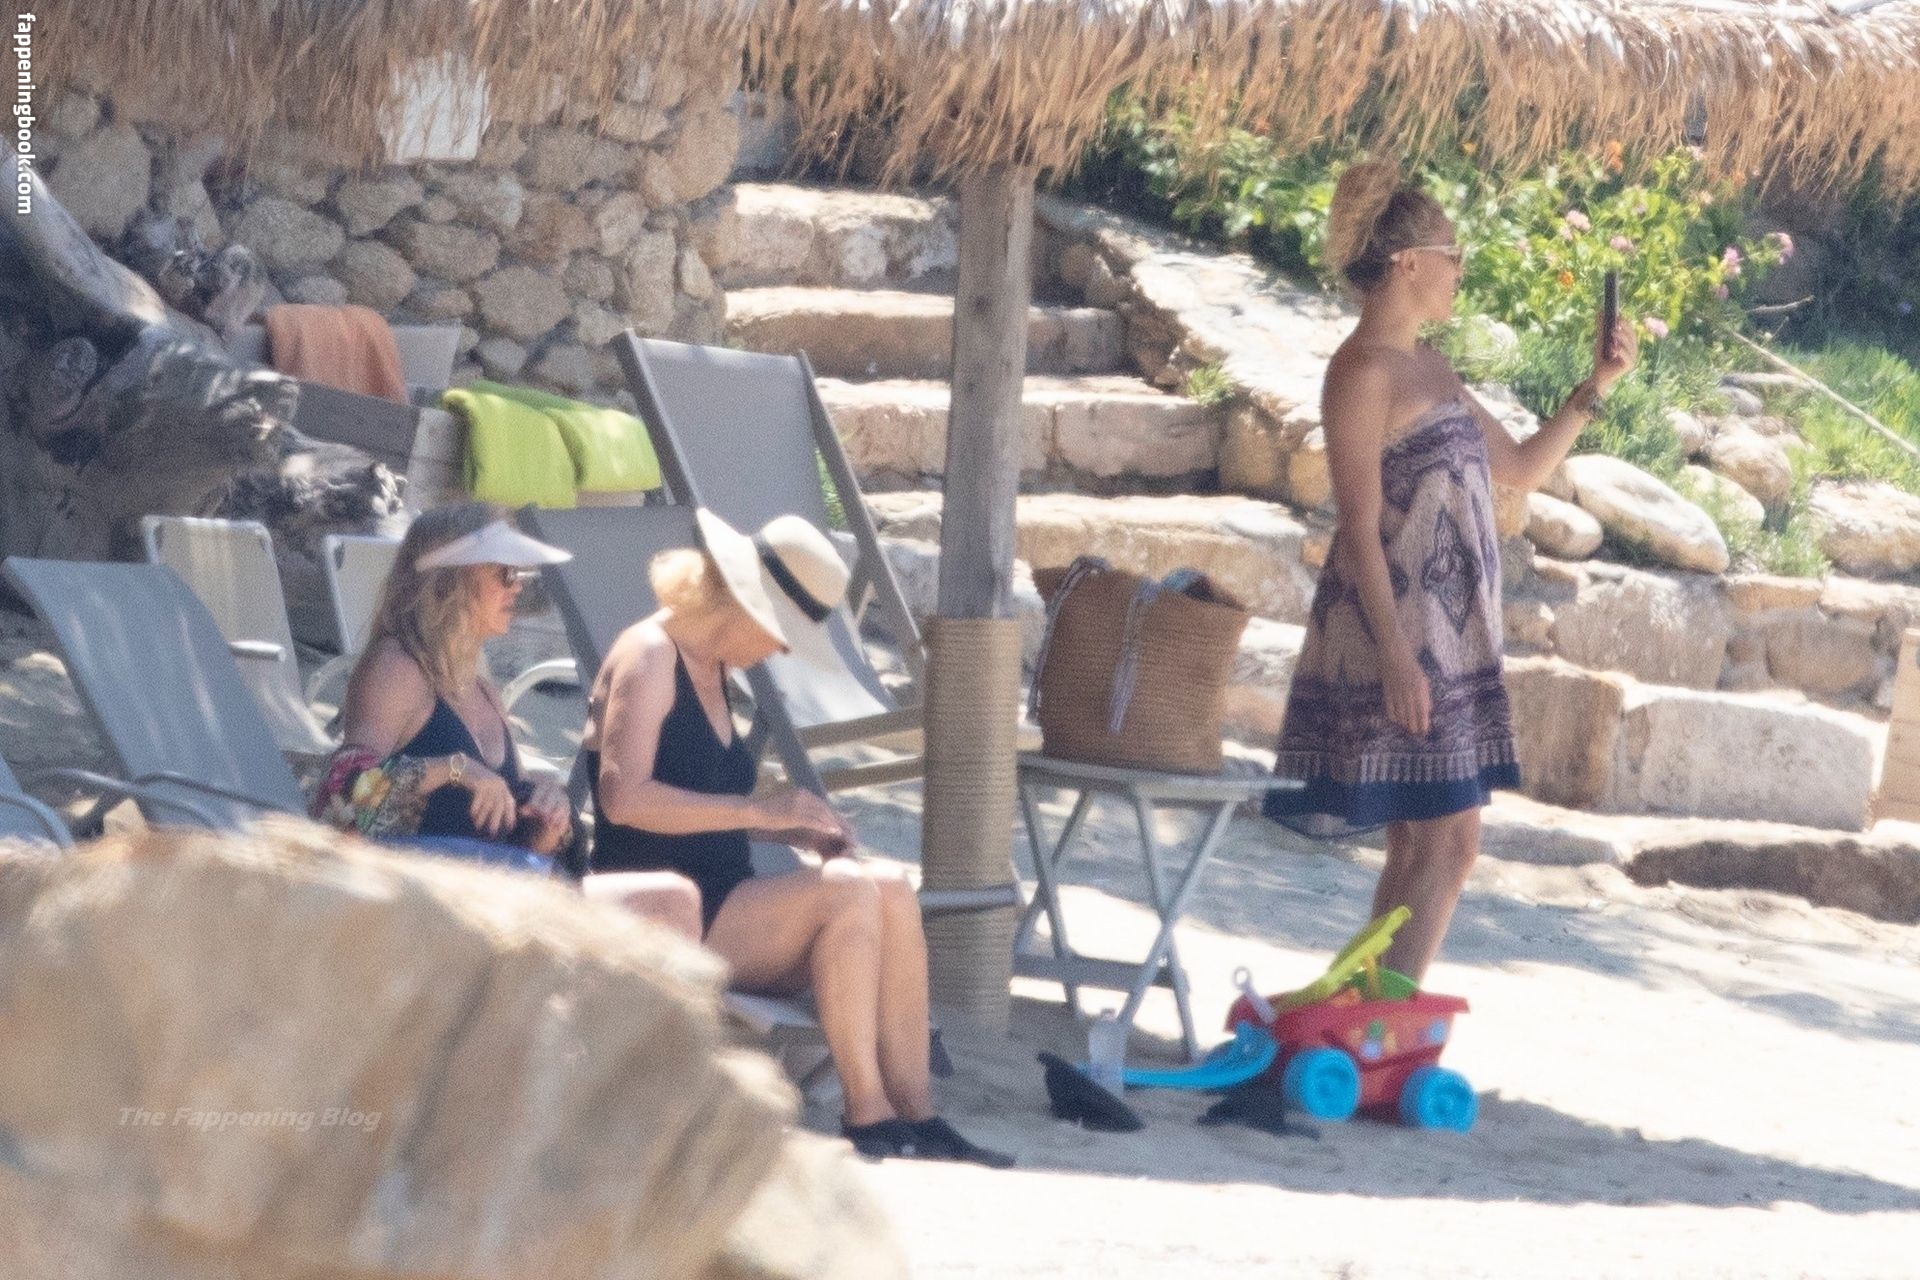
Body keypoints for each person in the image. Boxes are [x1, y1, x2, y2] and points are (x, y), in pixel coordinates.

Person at [1265, 160, 1638, 982]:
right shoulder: (1362, 371)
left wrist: (1595, 387)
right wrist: (1398, 658)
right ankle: (1380, 1021)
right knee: (1449, 844)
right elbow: (1357, 526)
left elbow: (1520, 469)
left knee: (1423, 844)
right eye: (1452, 253)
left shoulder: (1430, 367)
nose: (1461, 268)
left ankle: (1359, 1016)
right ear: (1408, 263)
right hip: (1400, 636)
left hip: (1453, 636)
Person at [585, 507, 1012, 1168]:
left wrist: (788, 822)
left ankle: (918, 1113)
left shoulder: (710, 666)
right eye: (780, 634)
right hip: (664, 908)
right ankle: (865, 1111)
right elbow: (624, 798)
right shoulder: (649, 654)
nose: (780, 651)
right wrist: (761, 813)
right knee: (845, 891)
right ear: (741, 606)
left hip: (726, 900)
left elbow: (707, 796)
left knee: (888, 885)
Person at [314, 501, 704, 941]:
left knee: (673, 901)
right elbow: (343, 796)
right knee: (666, 905)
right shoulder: (396, 668)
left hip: (486, 898)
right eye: (505, 573)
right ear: (453, 580)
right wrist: (456, 768)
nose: (517, 587)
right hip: (419, 902)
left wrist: (546, 824)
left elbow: (509, 838)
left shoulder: (482, 690)